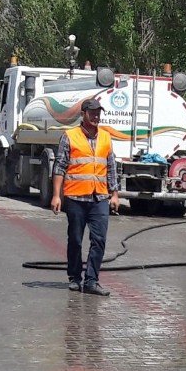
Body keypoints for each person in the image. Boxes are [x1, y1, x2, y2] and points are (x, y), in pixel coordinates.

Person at [50, 98, 118, 296]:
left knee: (99, 240)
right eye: (93, 113)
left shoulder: (106, 137)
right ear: (84, 114)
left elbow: (111, 168)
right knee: (76, 240)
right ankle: (74, 278)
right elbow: (59, 167)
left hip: (100, 198)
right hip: (75, 197)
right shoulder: (70, 136)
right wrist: (56, 195)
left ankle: (91, 281)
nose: (96, 116)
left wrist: (114, 194)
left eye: (99, 113)